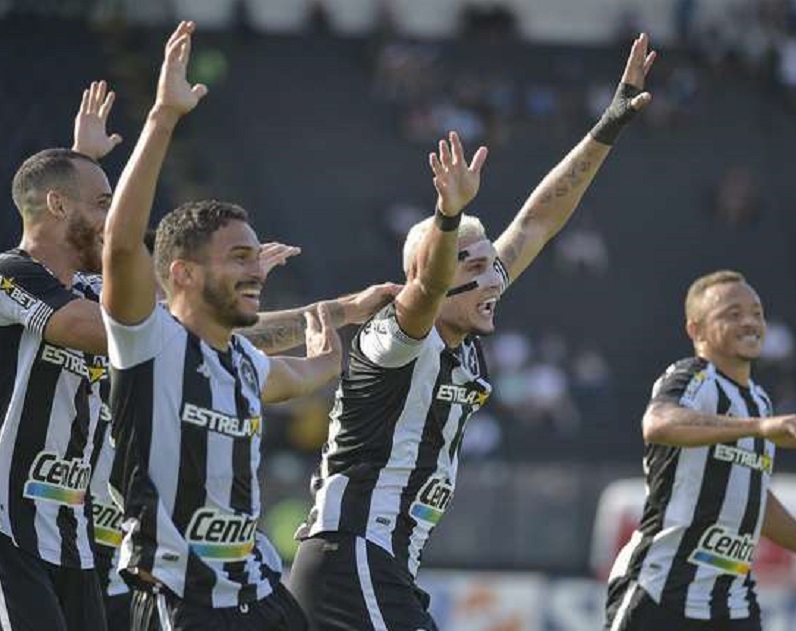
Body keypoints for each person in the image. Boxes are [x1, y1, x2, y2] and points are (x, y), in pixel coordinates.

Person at [288, 33, 658, 630]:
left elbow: (537, 222)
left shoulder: (463, 312)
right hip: (350, 556)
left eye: (491, 266)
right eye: (475, 268)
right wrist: (447, 216)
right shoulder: (397, 336)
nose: (493, 281)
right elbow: (430, 284)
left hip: (384, 564)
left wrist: (608, 124)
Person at [98, 21, 386, 630]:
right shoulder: (149, 342)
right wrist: (163, 118)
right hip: (184, 602)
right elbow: (121, 246)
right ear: (180, 273)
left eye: (256, 257)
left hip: (260, 594)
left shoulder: (241, 361)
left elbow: (298, 376)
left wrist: (336, 340)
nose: (256, 271)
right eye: (238, 258)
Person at [604, 270, 796, 631]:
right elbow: (658, 423)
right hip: (661, 590)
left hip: (730, 599)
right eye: (733, 314)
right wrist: (760, 428)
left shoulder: (760, 401)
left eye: (756, 313)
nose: (750, 322)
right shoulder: (692, 377)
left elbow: (754, 499)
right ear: (696, 330)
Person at [0, 78, 122, 631]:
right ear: (56, 204)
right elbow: (80, 326)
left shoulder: (93, 292)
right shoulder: (11, 275)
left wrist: (333, 313)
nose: (111, 220)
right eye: (102, 204)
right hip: (9, 529)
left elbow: (188, 327)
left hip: (72, 537)